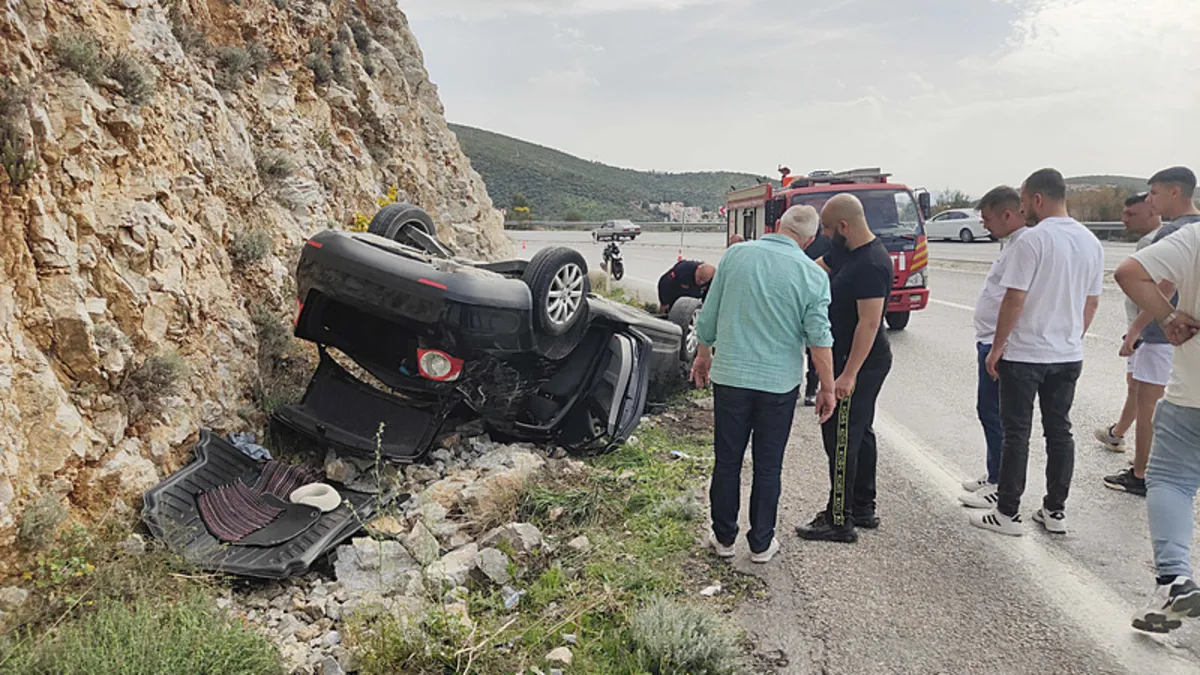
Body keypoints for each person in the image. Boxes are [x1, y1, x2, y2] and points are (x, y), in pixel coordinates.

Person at [690, 204, 836, 564]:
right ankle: (760, 544)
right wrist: (828, 388)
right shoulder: (812, 275)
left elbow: (710, 313)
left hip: (732, 378)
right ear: (811, 239)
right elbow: (820, 338)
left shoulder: (737, 255)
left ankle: (723, 539)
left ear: (777, 226)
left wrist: (703, 354)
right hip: (778, 384)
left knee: (727, 461)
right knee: (768, 466)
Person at [969, 168, 1104, 537]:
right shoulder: (1091, 242)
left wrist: (997, 348)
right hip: (1067, 354)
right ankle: (1054, 510)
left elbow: (1015, 299)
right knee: (1060, 433)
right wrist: (1073, 337)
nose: (1024, 206)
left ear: (1038, 199)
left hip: (1026, 354)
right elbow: (1092, 301)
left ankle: (1008, 512)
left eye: (1025, 199)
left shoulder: (1032, 241)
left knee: (1017, 433)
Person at [1115, 217, 1200, 633]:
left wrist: (1168, 319)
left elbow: (1129, 272)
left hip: (1194, 395)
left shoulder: (1195, 238)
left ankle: (1174, 579)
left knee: (1170, 479)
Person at [795, 193, 893, 544]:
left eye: (826, 227)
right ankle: (863, 507)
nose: (823, 233)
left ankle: (839, 519)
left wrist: (846, 375)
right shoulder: (846, 252)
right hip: (852, 361)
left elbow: (868, 324)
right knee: (860, 432)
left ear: (844, 226)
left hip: (859, 363)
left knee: (841, 437)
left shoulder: (871, 264)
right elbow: (815, 268)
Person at [1098, 169, 1200, 496]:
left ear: (1174, 192)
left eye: (1154, 193)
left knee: (1149, 404)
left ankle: (1141, 473)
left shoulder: (1174, 233)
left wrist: (1140, 327)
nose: (1150, 200)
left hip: (1164, 336)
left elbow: (1162, 284)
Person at [958, 186, 1029, 509]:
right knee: (988, 412)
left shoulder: (1024, 246)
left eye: (988, 218)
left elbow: (1016, 299)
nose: (984, 225)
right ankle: (994, 473)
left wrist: (999, 345)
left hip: (1001, 345)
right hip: (989, 340)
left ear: (1008, 214)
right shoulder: (1011, 244)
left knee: (996, 414)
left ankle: (1001, 483)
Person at [1093, 193, 1164, 462]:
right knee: (1135, 385)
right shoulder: (1153, 240)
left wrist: (1137, 329)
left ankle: (1146, 463)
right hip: (1147, 329)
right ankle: (1118, 432)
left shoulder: (1153, 242)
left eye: (1131, 214)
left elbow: (1161, 288)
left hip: (1151, 331)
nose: (1123, 220)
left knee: (1149, 393)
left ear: (1152, 210)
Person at [802, 227, 833, 407]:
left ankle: (811, 389)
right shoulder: (831, 244)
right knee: (819, 342)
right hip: (825, 295)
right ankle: (815, 388)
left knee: (812, 345)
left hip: (809, 295)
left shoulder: (803, 244)